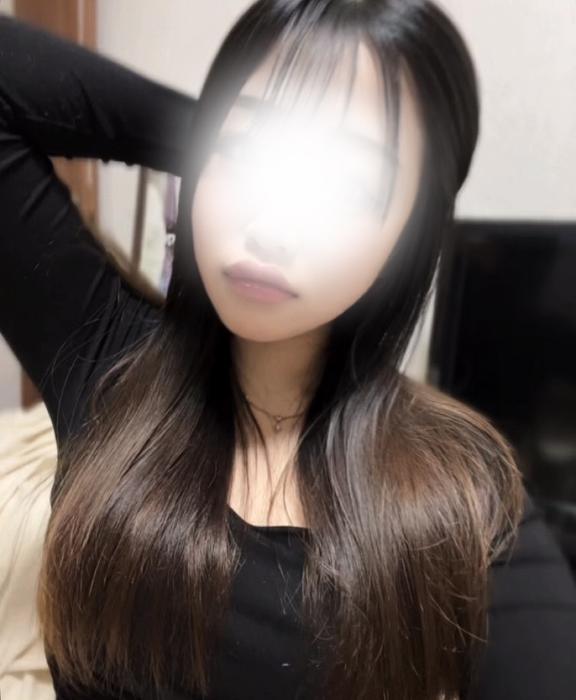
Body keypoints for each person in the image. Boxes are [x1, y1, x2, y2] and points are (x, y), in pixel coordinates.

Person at [0, 2, 575, 699]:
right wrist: (220, 133)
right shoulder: (108, 362)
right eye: (249, 155)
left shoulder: (462, 498)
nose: (272, 227)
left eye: (346, 183)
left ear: (413, 230)